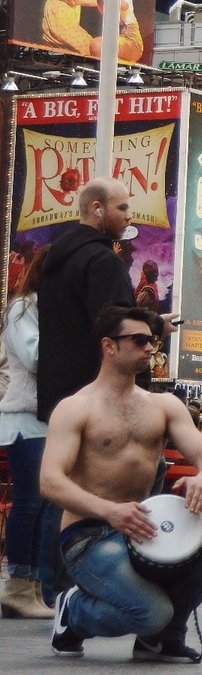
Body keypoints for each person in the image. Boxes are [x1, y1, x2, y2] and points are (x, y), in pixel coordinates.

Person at [39, 306, 202, 663]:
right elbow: (50, 482)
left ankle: (162, 639)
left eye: (153, 340)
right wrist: (110, 510)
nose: (150, 348)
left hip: (143, 527)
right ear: (109, 346)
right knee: (150, 613)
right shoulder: (75, 408)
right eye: (140, 340)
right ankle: (73, 612)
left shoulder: (163, 405)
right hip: (88, 535)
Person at [38, 177, 178, 423]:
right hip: (100, 403)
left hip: (58, 403)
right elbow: (116, 325)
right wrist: (155, 325)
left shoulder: (57, 260)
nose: (129, 217)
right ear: (97, 209)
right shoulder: (103, 262)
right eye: (122, 207)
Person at [0, 247, 54, 619]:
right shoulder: (22, 308)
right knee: (30, 502)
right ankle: (17, 585)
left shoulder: (50, 308)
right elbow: (34, 357)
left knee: (43, 504)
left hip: (48, 416)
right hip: (24, 415)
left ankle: (31, 585)